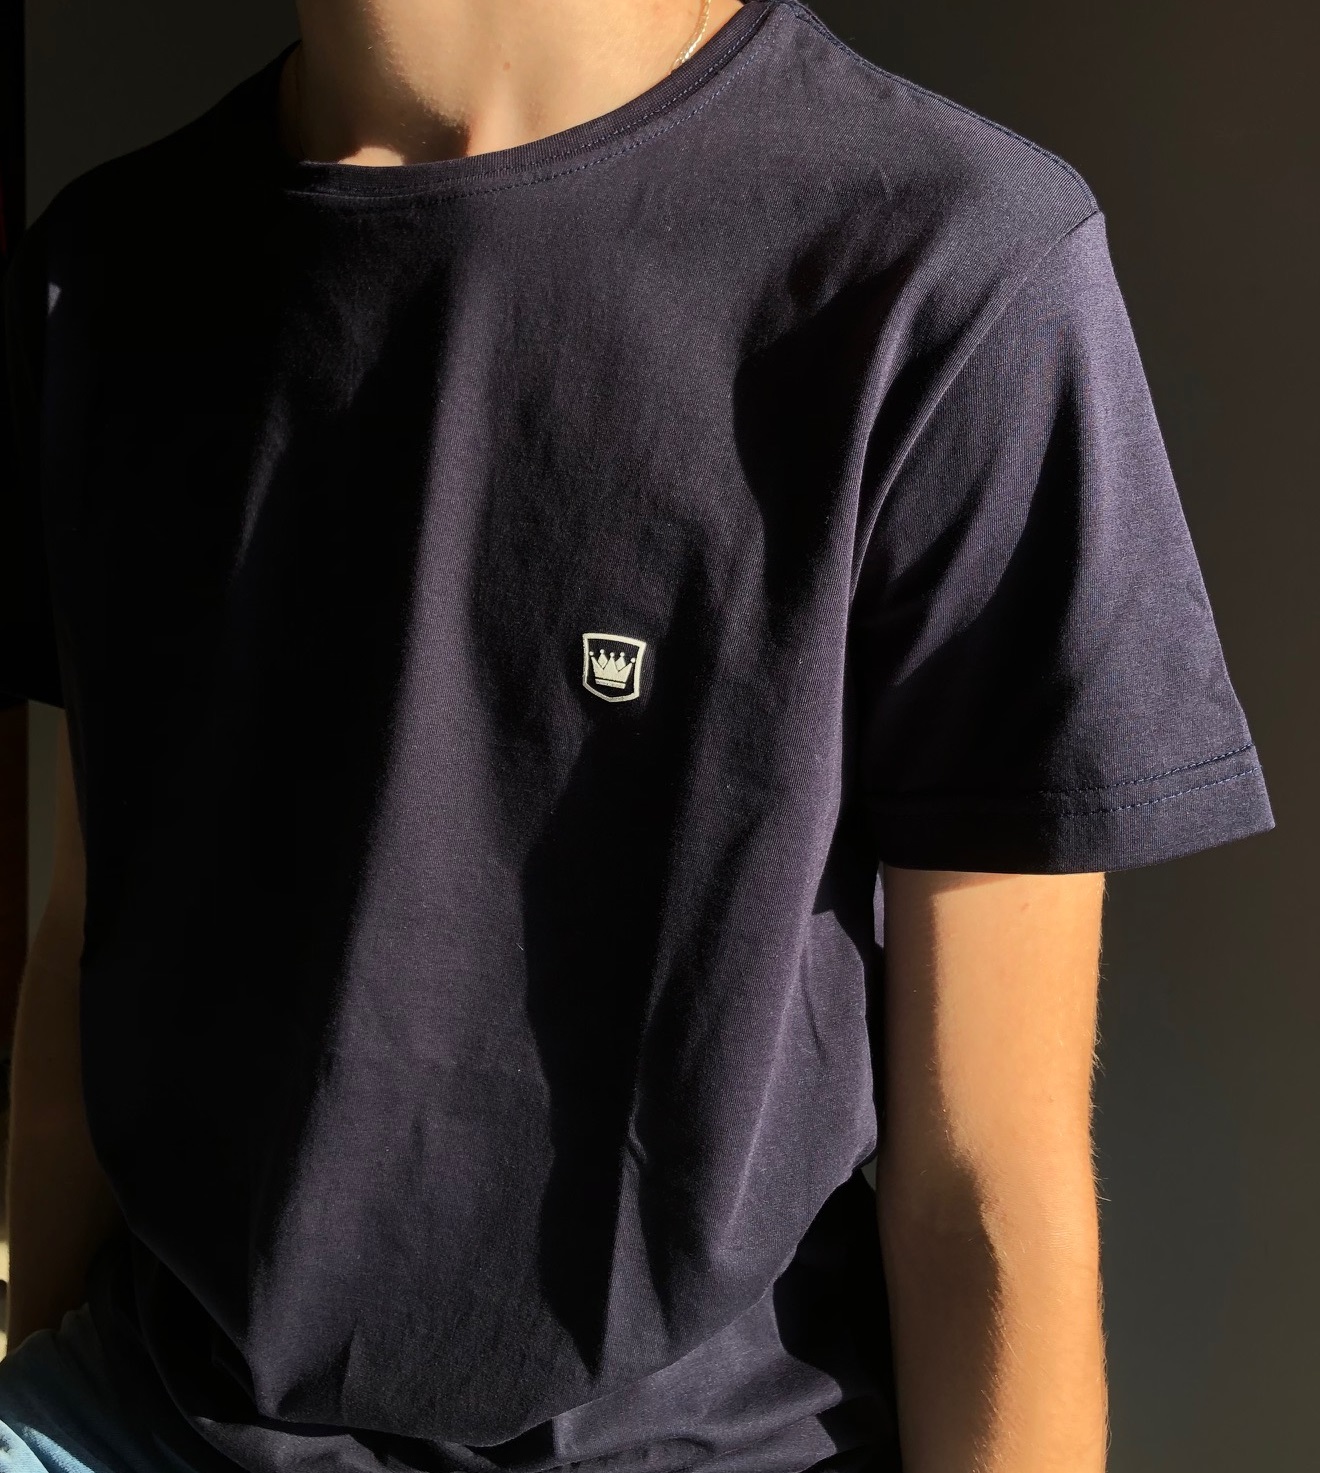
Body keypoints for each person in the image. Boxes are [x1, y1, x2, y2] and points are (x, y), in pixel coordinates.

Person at [0, 1, 1275, 1471]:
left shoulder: (949, 270)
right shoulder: (103, 277)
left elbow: (987, 1182)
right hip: (146, 1418)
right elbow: (87, 944)